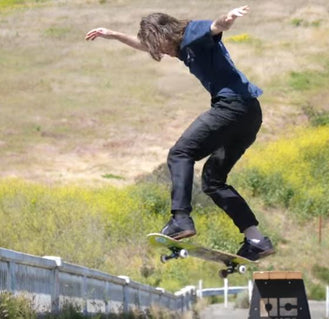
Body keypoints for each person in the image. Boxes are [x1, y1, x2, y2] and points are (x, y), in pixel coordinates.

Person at [85, 5, 274, 261]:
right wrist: (114, 34)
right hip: (250, 114)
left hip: (231, 107)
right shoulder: (182, 48)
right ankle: (256, 240)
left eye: (158, 45)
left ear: (165, 32)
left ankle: (181, 220)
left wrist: (227, 19)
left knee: (180, 153)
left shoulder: (191, 34)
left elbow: (215, 27)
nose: (160, 51)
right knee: (213, 181)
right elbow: (143, 45)